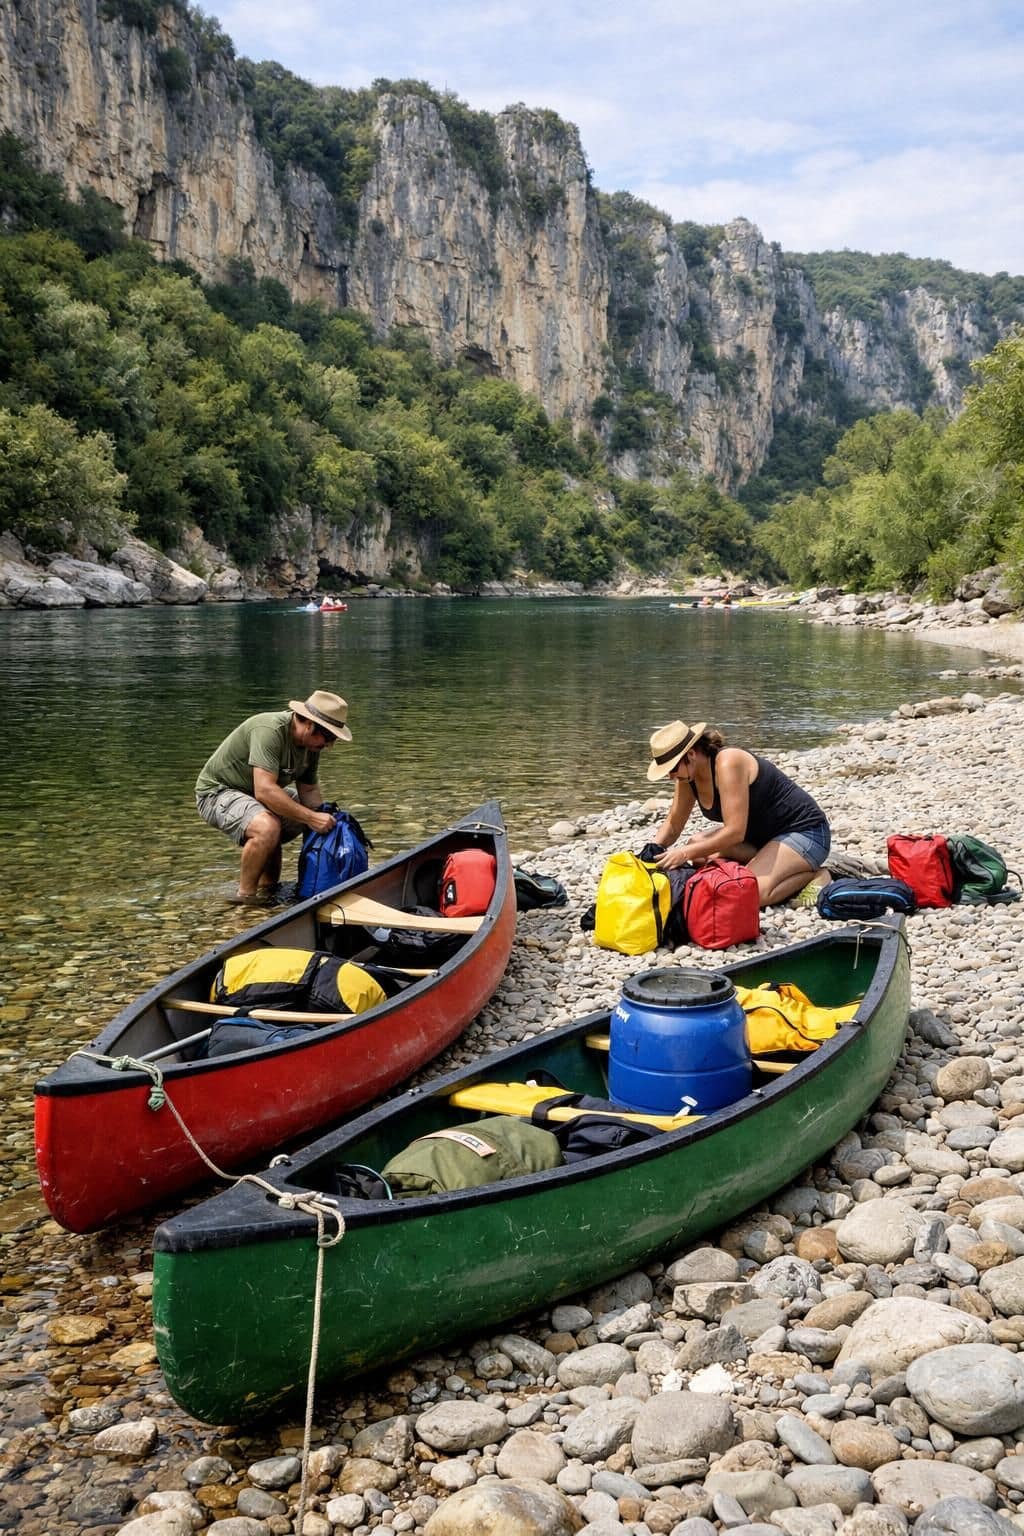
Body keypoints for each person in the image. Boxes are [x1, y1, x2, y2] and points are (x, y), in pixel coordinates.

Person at [645, 719, 831, 908]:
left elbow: (735, 832)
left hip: (804, 832)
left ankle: (815, 874)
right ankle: (768, 868)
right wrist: (651, 851)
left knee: (750, 894)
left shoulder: (728, 762)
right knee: (697, 851)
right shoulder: (686, 776)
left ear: (691, 754)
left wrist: (684, 853)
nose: (670, 776)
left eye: (672, 769)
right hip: (761, 840)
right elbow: (674, 824)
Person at [196, 689, 352, 904]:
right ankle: (246, 900)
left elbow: (308, 791)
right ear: (308, 723)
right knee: (267, 827)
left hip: (255, 793)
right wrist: (310, 818)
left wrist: (326, 820)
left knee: (315, 817)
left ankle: (269, 891)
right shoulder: (269, 729)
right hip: (217, 793)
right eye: (327, 737)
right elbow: (264, 790)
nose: (328, 745)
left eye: (332, 739)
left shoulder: (311, 746)